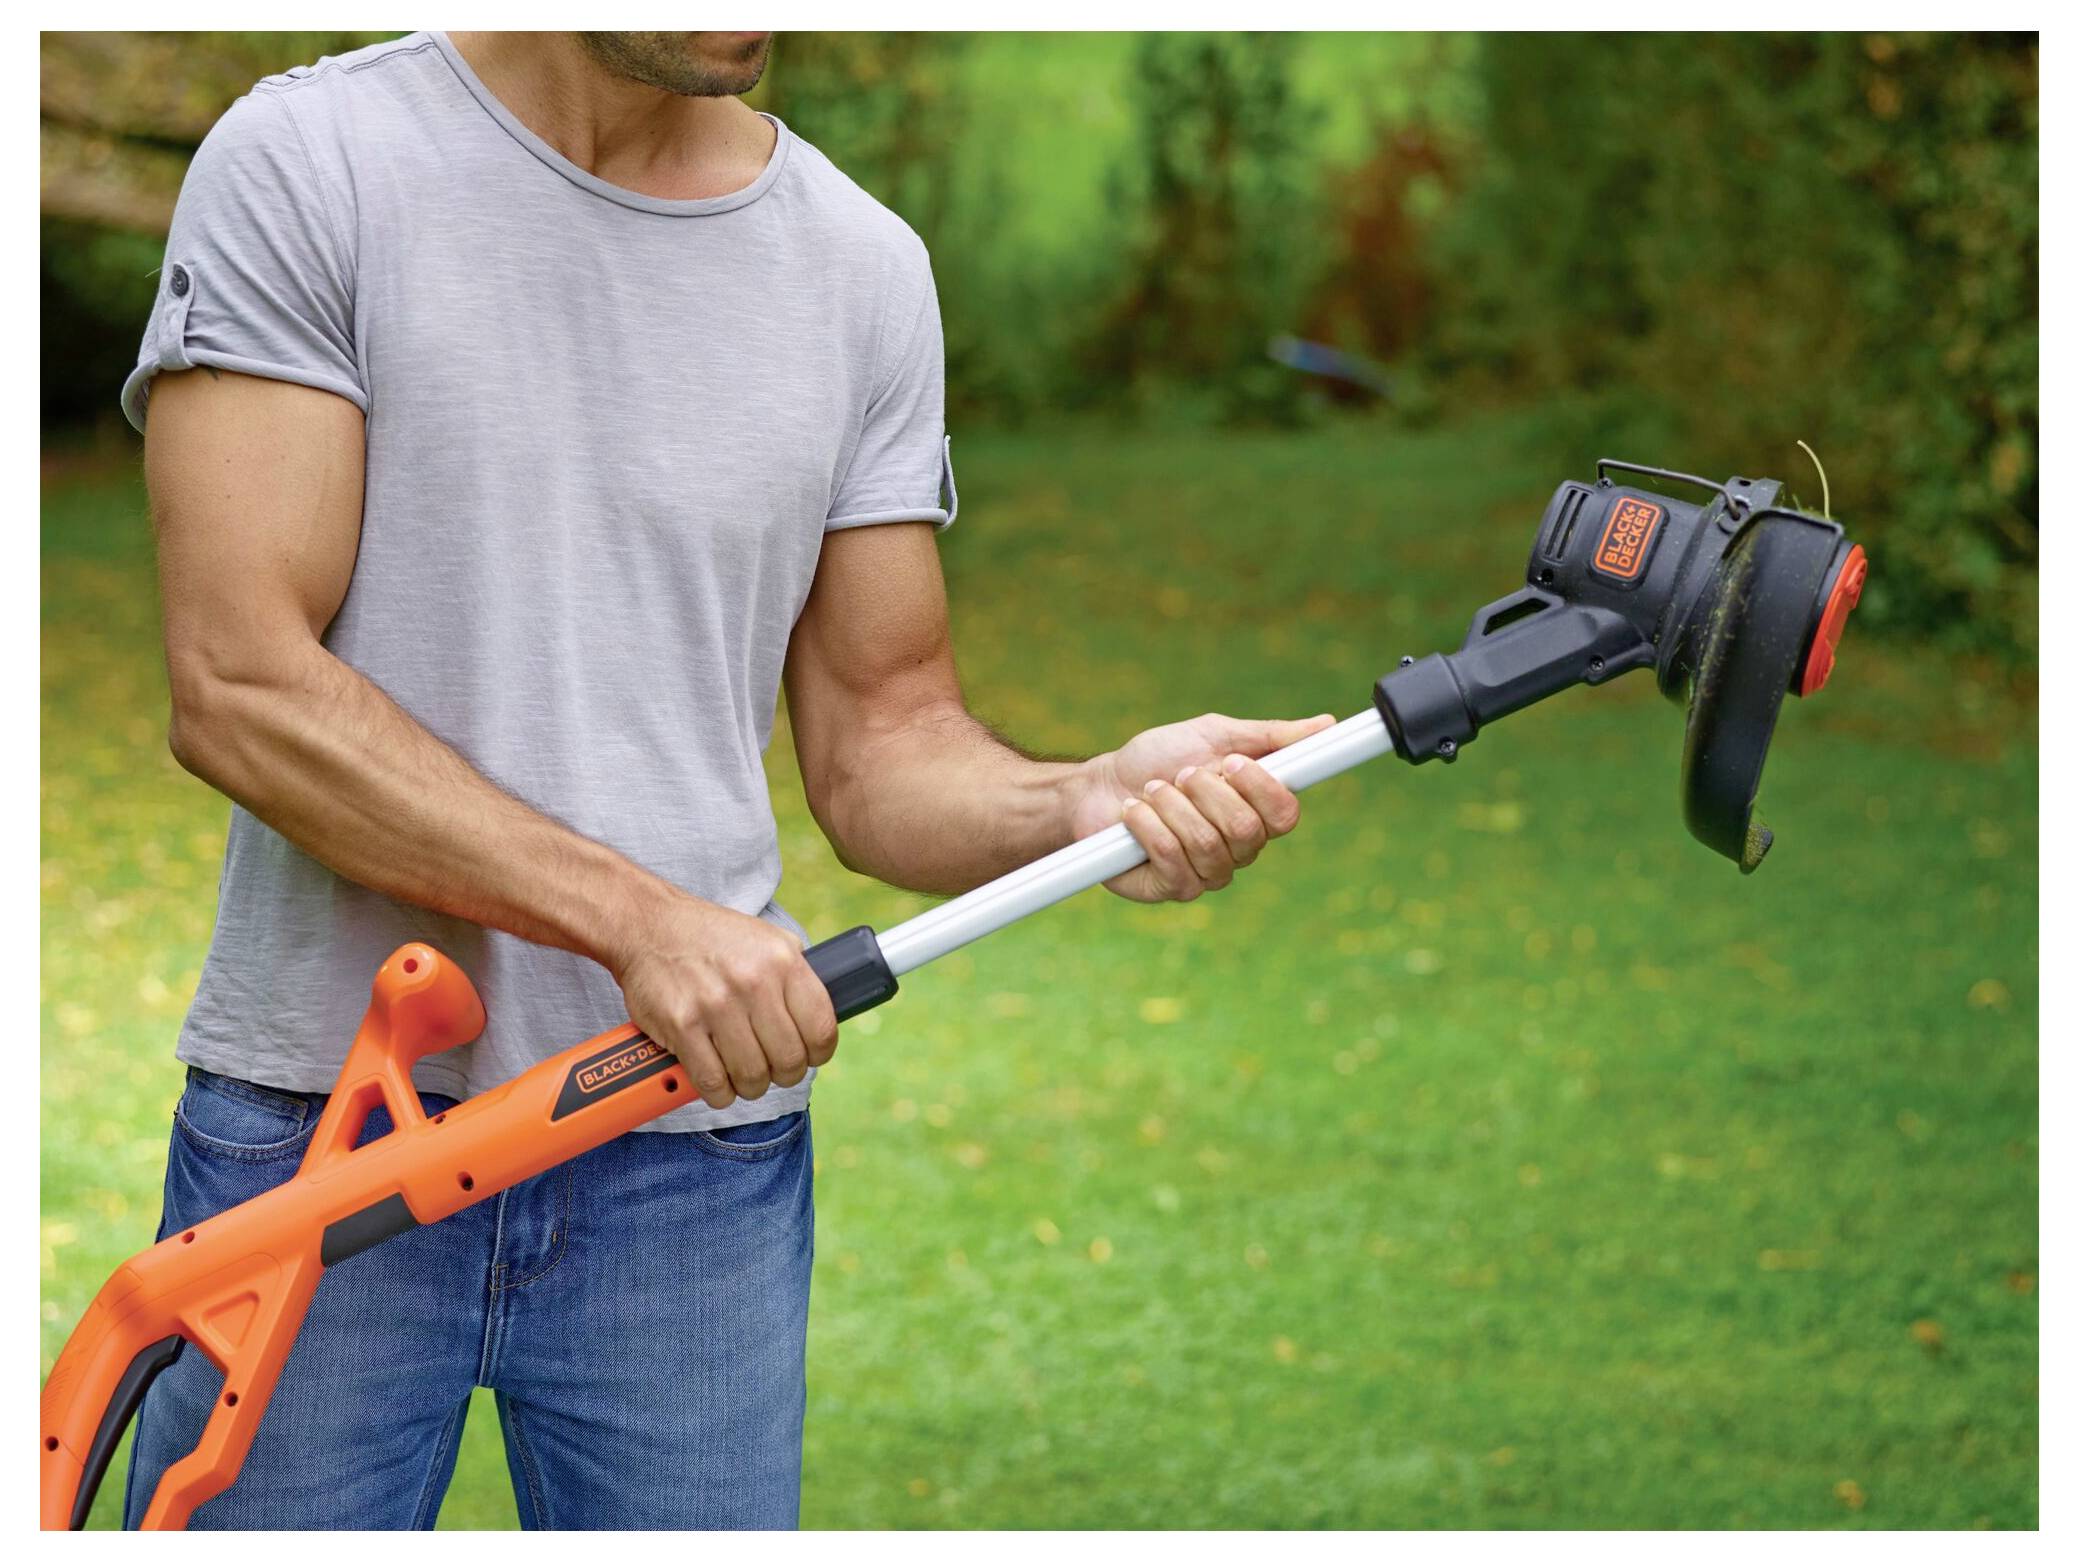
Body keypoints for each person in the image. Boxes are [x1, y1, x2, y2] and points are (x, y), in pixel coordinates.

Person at [121, 30, 1333, 1530]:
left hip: (686, 1162)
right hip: (328, 1133)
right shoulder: (316, 165)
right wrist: (640, 922)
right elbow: (241, 684)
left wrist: (1078, 805)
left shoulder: (859, 267)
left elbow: (884, 736)